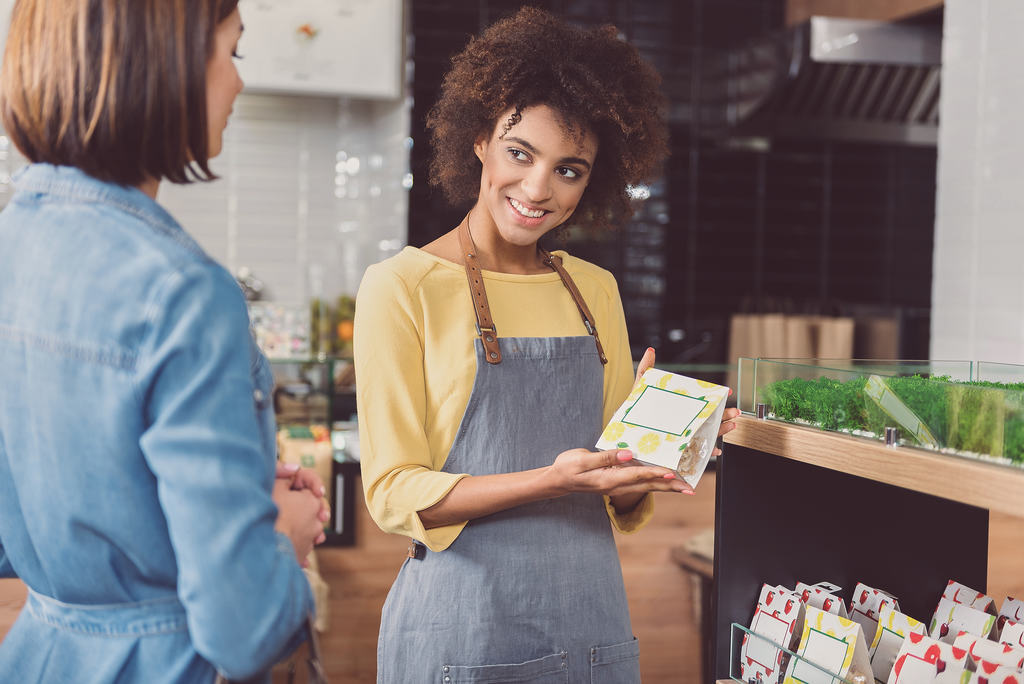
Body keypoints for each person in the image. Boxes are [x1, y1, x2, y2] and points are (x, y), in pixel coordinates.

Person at [354, 7, 740, 683]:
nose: (536, 190)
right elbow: (393, 491)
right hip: (461, 637)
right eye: (520, 153)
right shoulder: (403, 286)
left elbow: (615, 489)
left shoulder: (595, 290)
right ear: (480, 138)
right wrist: (551, 480)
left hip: (589, 631)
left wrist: (672, 444)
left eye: (569, 169)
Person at [0, 1, 327, 681]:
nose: (238, 82)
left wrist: (226, 495)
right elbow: (243, 628)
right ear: (167, 64)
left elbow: (48, 504)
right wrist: (284, 537)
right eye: (231, 52)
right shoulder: (184, 293)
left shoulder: (11, 245)